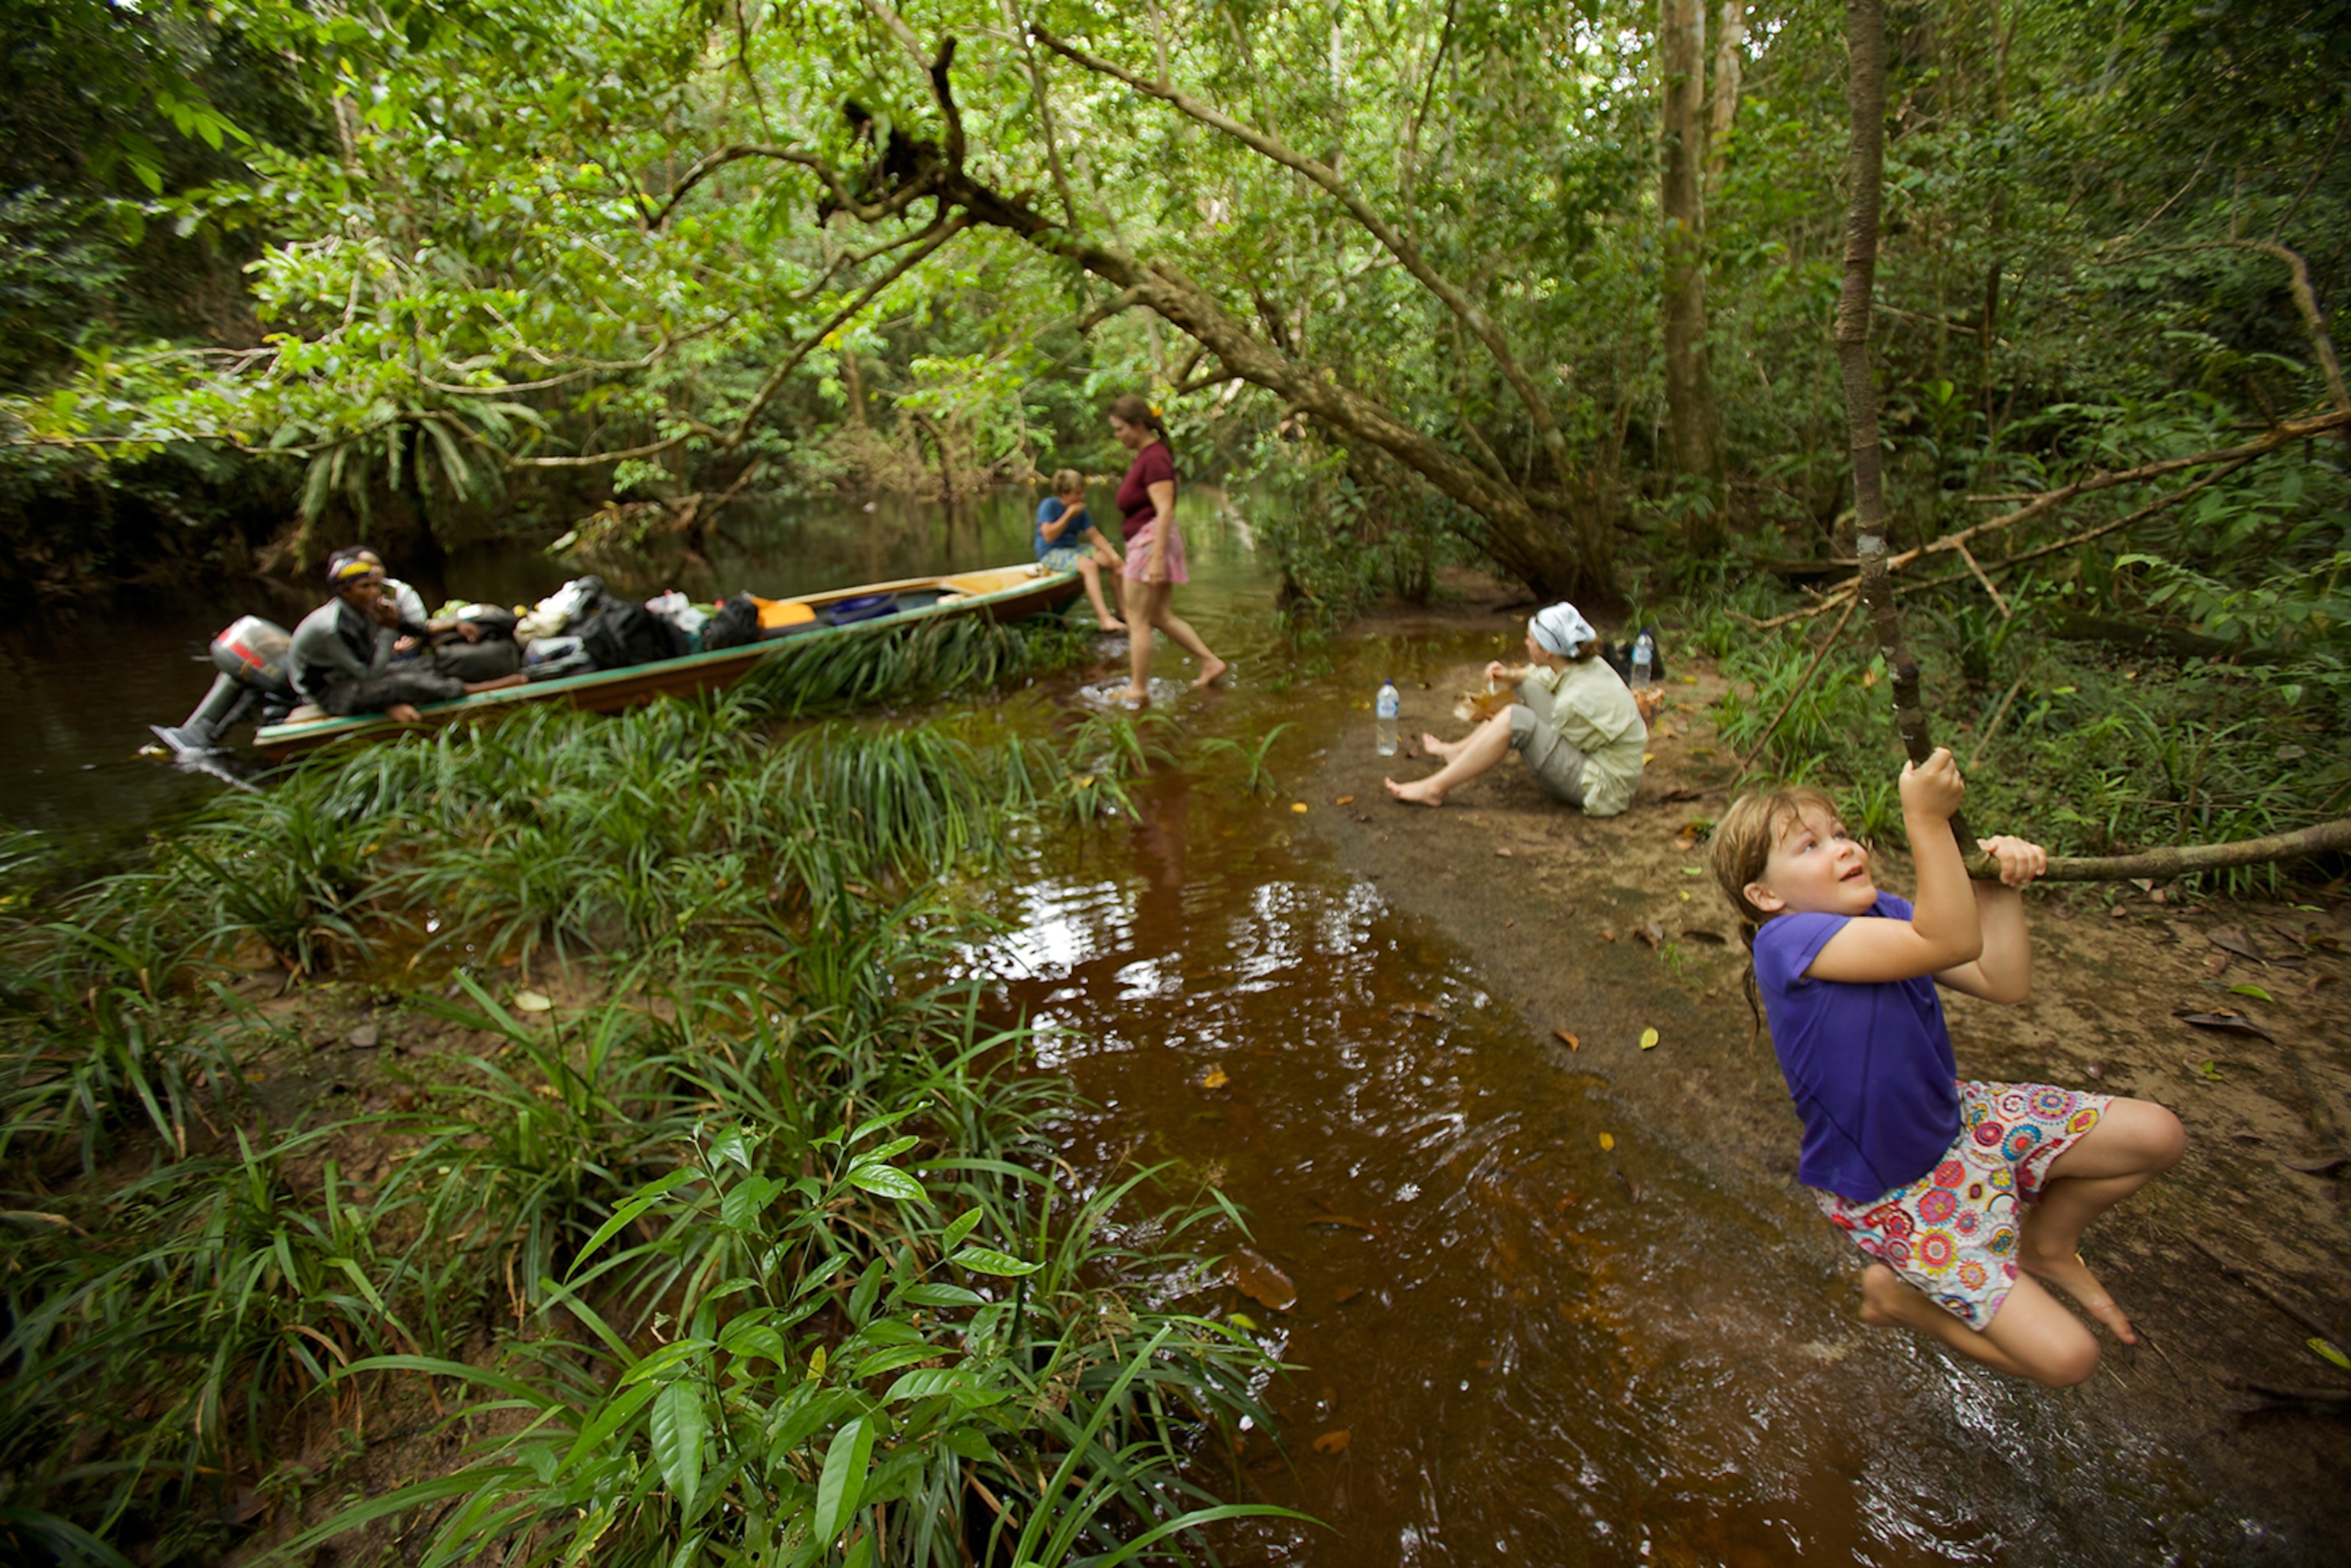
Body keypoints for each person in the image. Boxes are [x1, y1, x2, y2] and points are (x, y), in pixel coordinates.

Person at [1707, 753, 2185, 1387]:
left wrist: (1993, 888)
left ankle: (2046, 1241)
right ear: (1767, 896)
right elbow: (1948, 941)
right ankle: (1901, 1299)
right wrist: (1926, 819)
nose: (1844, 847)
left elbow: (2000, 979)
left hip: (1959, 1122)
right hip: (1895, 1192)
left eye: (1843, 833)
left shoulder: (1884, 912)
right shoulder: (1784, 941)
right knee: (2070, 1359)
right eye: (1811, 845)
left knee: (2159, 1133)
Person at [1384, 601, 1644, 813]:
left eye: (1530, 640)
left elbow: (1562, 739)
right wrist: (1509, 675)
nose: (1526, 644)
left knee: (1514, 719)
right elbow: (1540, 678)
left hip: (1605, 786)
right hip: (1608, 757)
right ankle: (1456, 752)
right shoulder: (1586, 663)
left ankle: (1434, 789)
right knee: (1527, 686)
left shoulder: (1571, 702)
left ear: (1547, 651)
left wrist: (1502, 724)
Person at [288, 549, 517, 721]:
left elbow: (413, 628)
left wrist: (454, 625)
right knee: (402, 683)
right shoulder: (331, 628)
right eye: (365, 587)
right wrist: (387, 630)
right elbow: (369, 676)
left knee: (425, 664)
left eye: (375, 586)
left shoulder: (366, 608)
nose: (374, 592)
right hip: (329, 690)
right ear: (344, 592)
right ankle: (476, 689)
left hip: (358, 674)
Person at [1109, 394, 1226, 702]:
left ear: (1138, 425)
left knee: (1137, 620)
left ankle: (1138, 690)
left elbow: (1165, 510)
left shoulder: (1155, 458)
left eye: (1120, 429)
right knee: (1159, 615)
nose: (1117, 435)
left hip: (1150, 544)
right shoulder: (1149, 456)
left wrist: (1157, 559)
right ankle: (1210, 662)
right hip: (1150, 541)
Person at [1035, 468, 1126, 631]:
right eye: (1077, 493)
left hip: (1073, 549)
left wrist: (1113, 555)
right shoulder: (1049, 505)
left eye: (1082, 492)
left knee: (1114, 563)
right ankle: (1104, 619)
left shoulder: (1081, 511)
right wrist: (1068, 515)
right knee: (1089, 565)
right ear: (1064, 494)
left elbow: (1094, 535)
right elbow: (1048, 535)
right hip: (1051, 552)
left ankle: (1122, 613)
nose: (1082, 497)